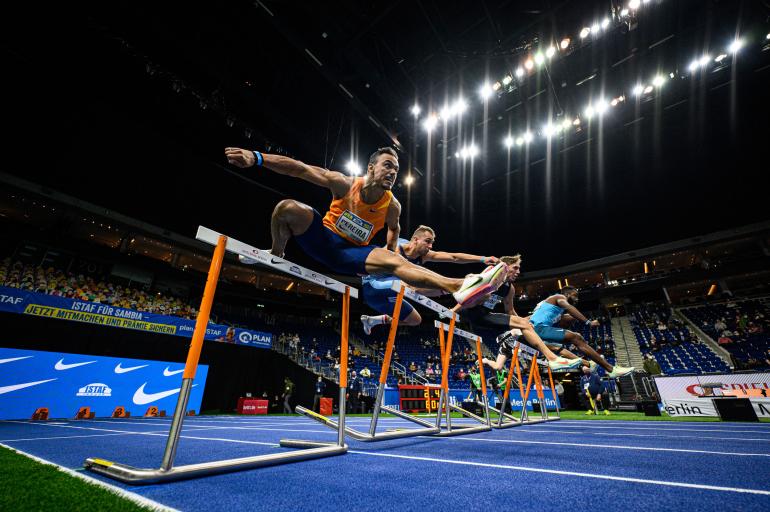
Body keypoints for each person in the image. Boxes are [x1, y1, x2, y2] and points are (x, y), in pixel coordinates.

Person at [225, 146, 507, 307]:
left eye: (396, 170)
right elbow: (299, 168)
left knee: (395, 260)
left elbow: (394, 230)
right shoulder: (344, 183)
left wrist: (387, 253)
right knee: (286, 208)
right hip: (322, 239)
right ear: (371, 168)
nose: (393, 173)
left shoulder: (392, 205)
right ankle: (277, 252)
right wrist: (257, 158)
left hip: (353, 255)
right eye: (387, 166)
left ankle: (460, 285)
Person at [360, 224, 498, 333]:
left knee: (415, 320)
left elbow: (453, 257)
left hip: (390, 294)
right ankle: (459, 286)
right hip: (373, 286)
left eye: (432, 243)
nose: (430, 246)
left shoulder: (424, 255)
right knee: (412, 283)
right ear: (415, 240)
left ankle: (374, 320)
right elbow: (373, 261)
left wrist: (482, 259)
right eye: (427, 241)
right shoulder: (396, 248)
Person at [467, 256, 582, 371]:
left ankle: (553, 359)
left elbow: (510, 311)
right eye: (515, 268)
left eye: (519, 269)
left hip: (487, 318)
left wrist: (524, 322)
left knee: (523, 327)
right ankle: (554, 358)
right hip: (472, 313)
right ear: (505, 267)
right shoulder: (490, 276)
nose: (518, 272)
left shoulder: (509, 289)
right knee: (525, 326)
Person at [523, 287, 634, 379]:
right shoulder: (559, 297)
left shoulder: (550, 308)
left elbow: (566, 317)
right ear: (566, 294)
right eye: (575, 295)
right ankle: (611, 369)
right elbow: (568, 307)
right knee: (576, 338)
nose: (577, 299)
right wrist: (588, 322)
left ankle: (590, 364)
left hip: (537, 331)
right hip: (539, 329)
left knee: (573, 339)